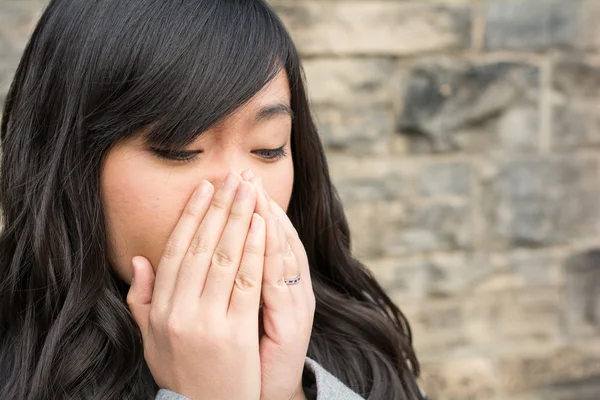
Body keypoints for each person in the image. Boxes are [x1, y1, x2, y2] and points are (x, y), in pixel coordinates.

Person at [0, 0, 424, 399]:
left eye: (268, 148)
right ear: (68, 159)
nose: (241, 192)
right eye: (180, 149)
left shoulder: (360, 345)